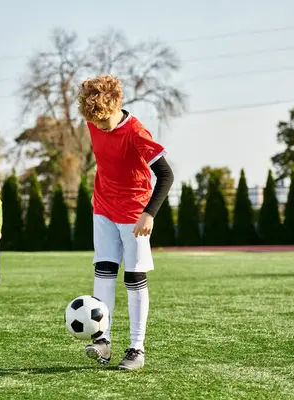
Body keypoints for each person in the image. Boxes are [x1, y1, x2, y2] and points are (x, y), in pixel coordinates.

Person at [77, 74, 174, 370]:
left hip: (135, 212)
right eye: (94, 122)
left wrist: (149, 213)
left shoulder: (136, 132)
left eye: (104, 121)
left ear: (117, 104)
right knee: (103, 271)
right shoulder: (93, 122)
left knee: (133, 277)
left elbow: (166, 175)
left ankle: (136, 348)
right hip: (104, 207)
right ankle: (102, 340)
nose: (99, 127)